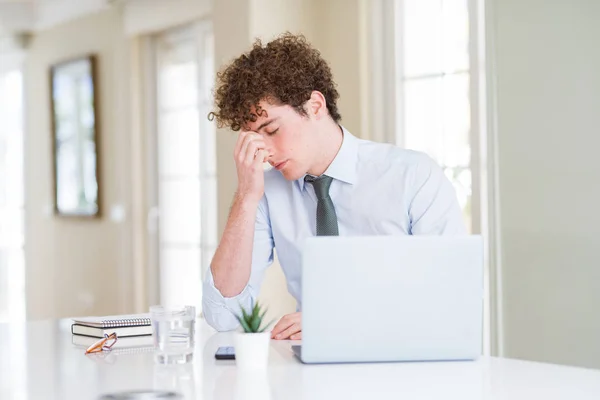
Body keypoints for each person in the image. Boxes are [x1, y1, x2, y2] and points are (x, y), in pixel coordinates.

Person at [202, 33, 465, 339]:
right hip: (308, 372)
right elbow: (222, 315)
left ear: (315, 105)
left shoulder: (413, 176)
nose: (266, 152)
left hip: (404, 362)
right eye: (254, 139)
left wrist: (336, 321)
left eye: (271, 130)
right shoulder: (267, 193)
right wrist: (246, 196)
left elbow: (451, 298)